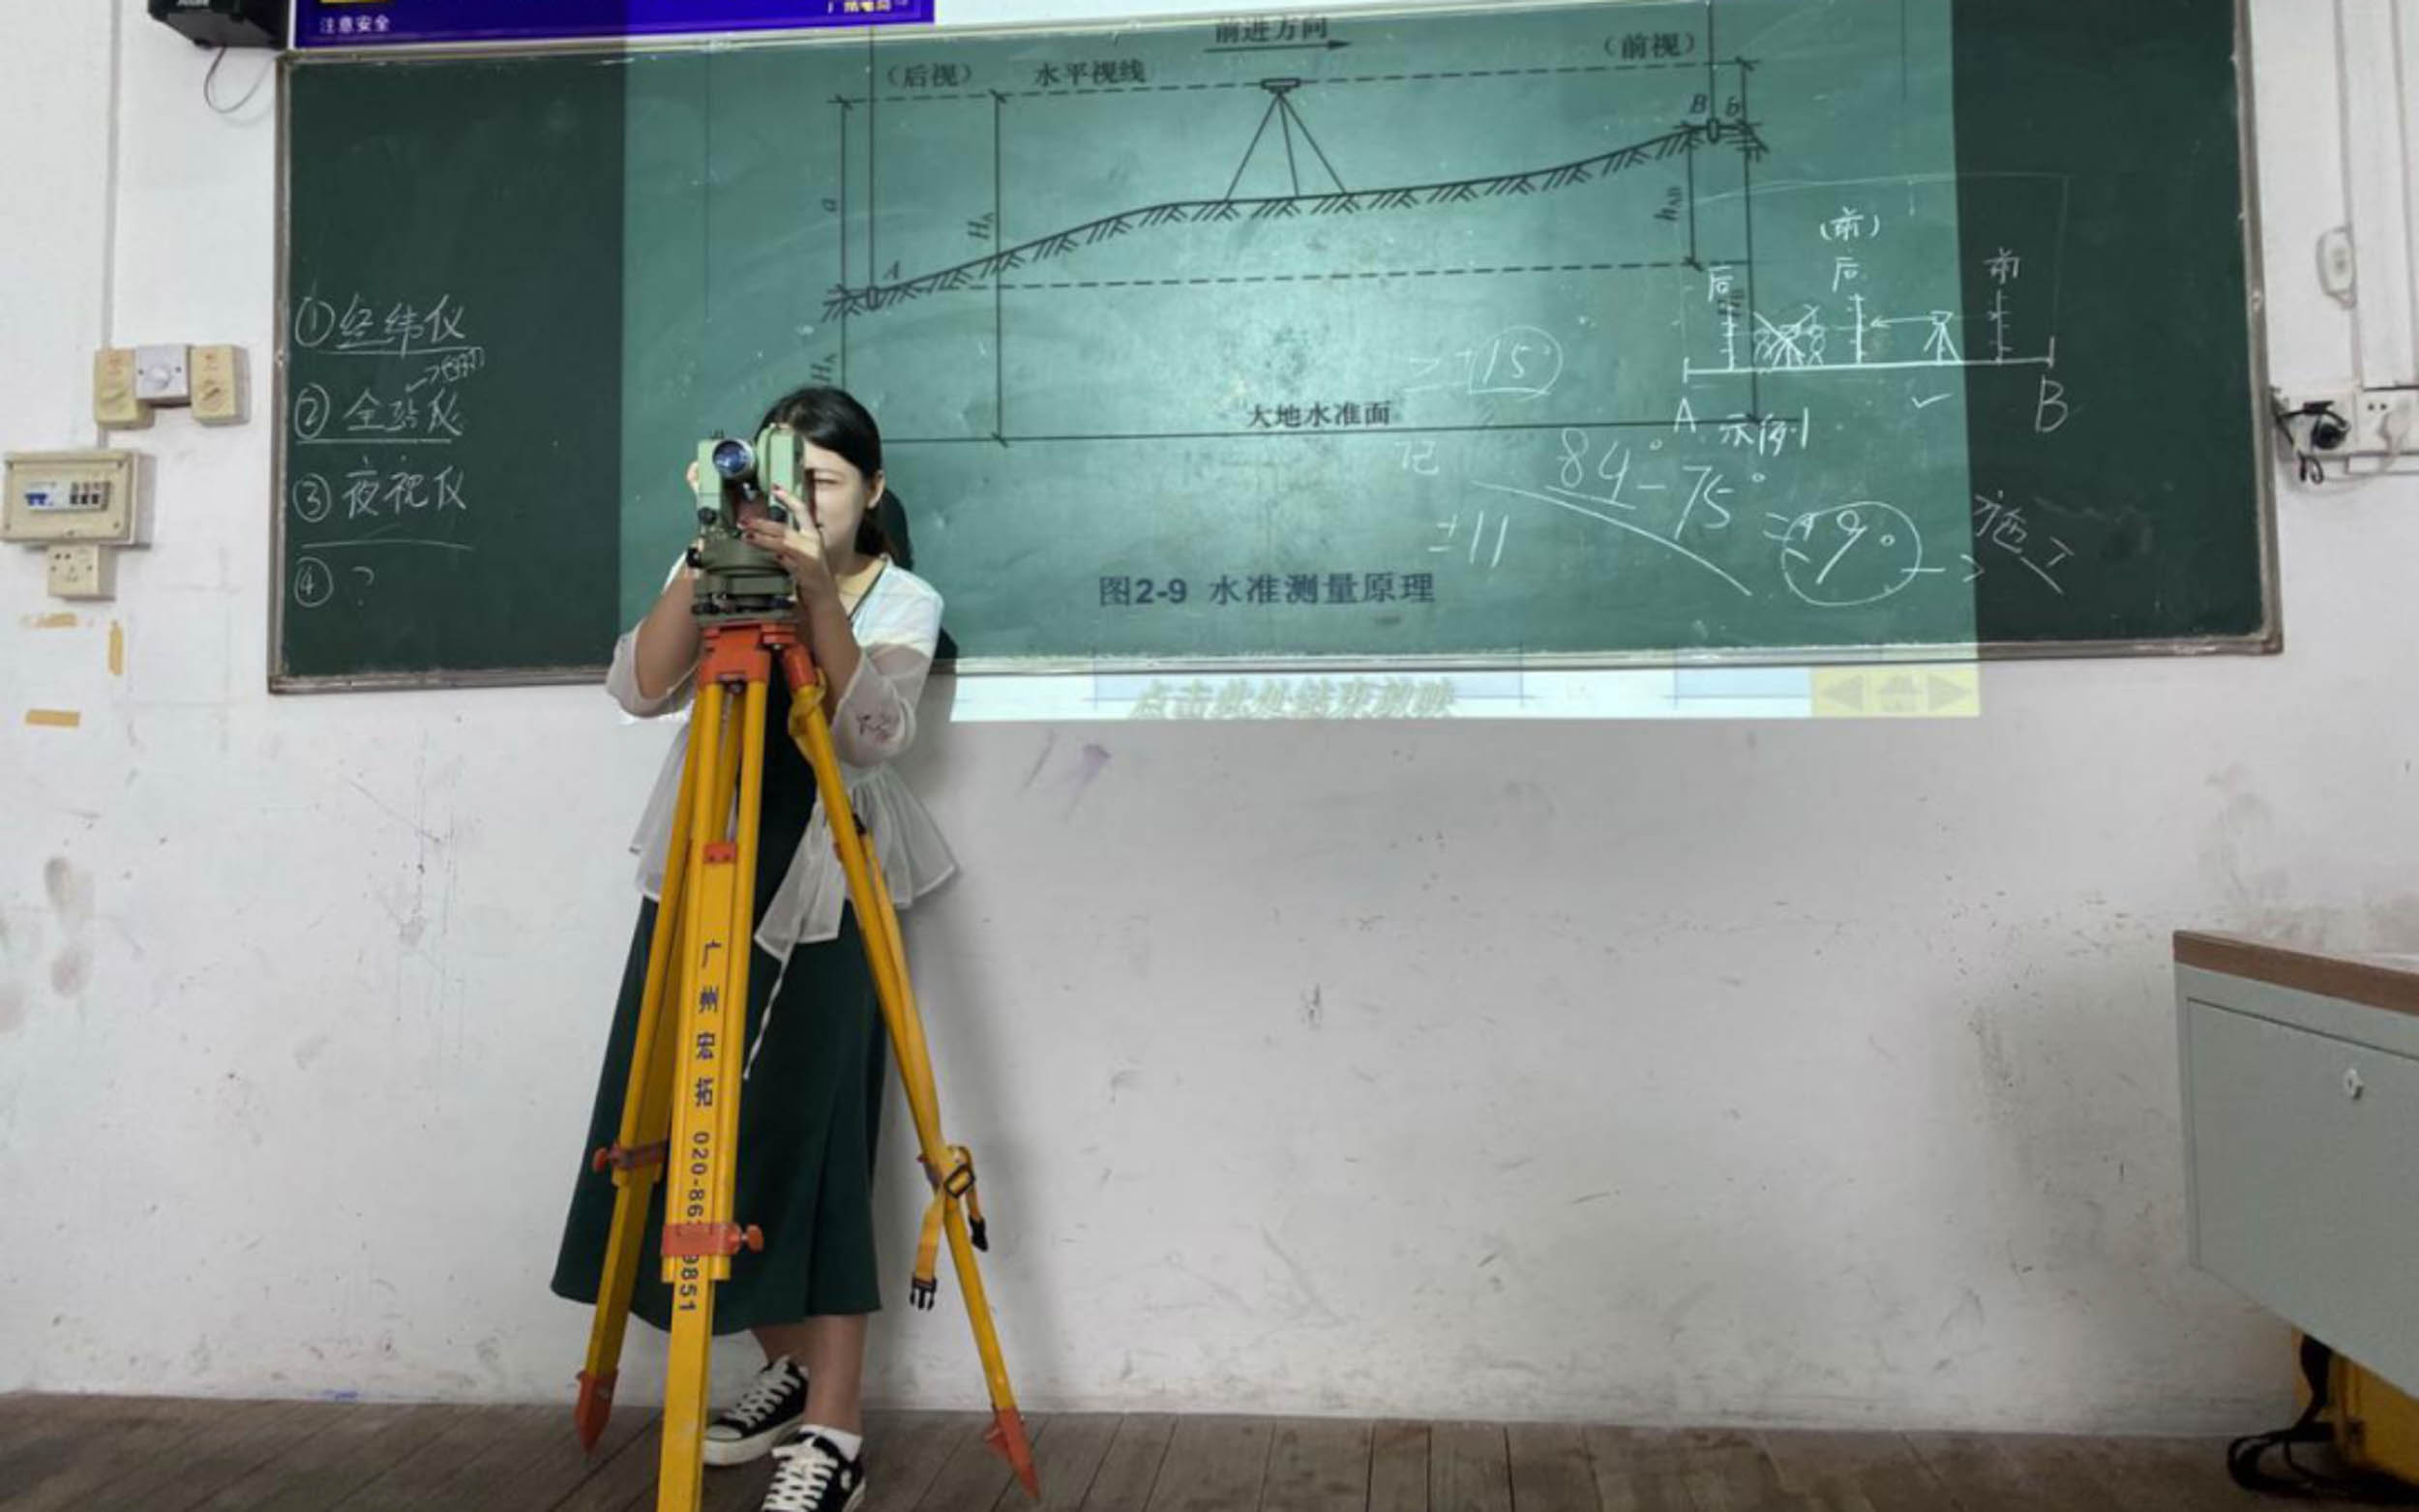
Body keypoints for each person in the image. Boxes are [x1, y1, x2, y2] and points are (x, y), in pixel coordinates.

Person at [551, 385, 955, 1512]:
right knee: (692, 1129)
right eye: (784, 478)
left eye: (824, 482)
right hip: (708, 865)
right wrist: (706, 558)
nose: (801, 502)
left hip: (825, 884)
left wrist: (818, 595)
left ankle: (834, 1427)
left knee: (812, 1143)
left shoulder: (901, 597)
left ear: (871, 491)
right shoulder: (719, 565)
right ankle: (787, 1369)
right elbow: (637, 689)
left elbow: (869, 737)